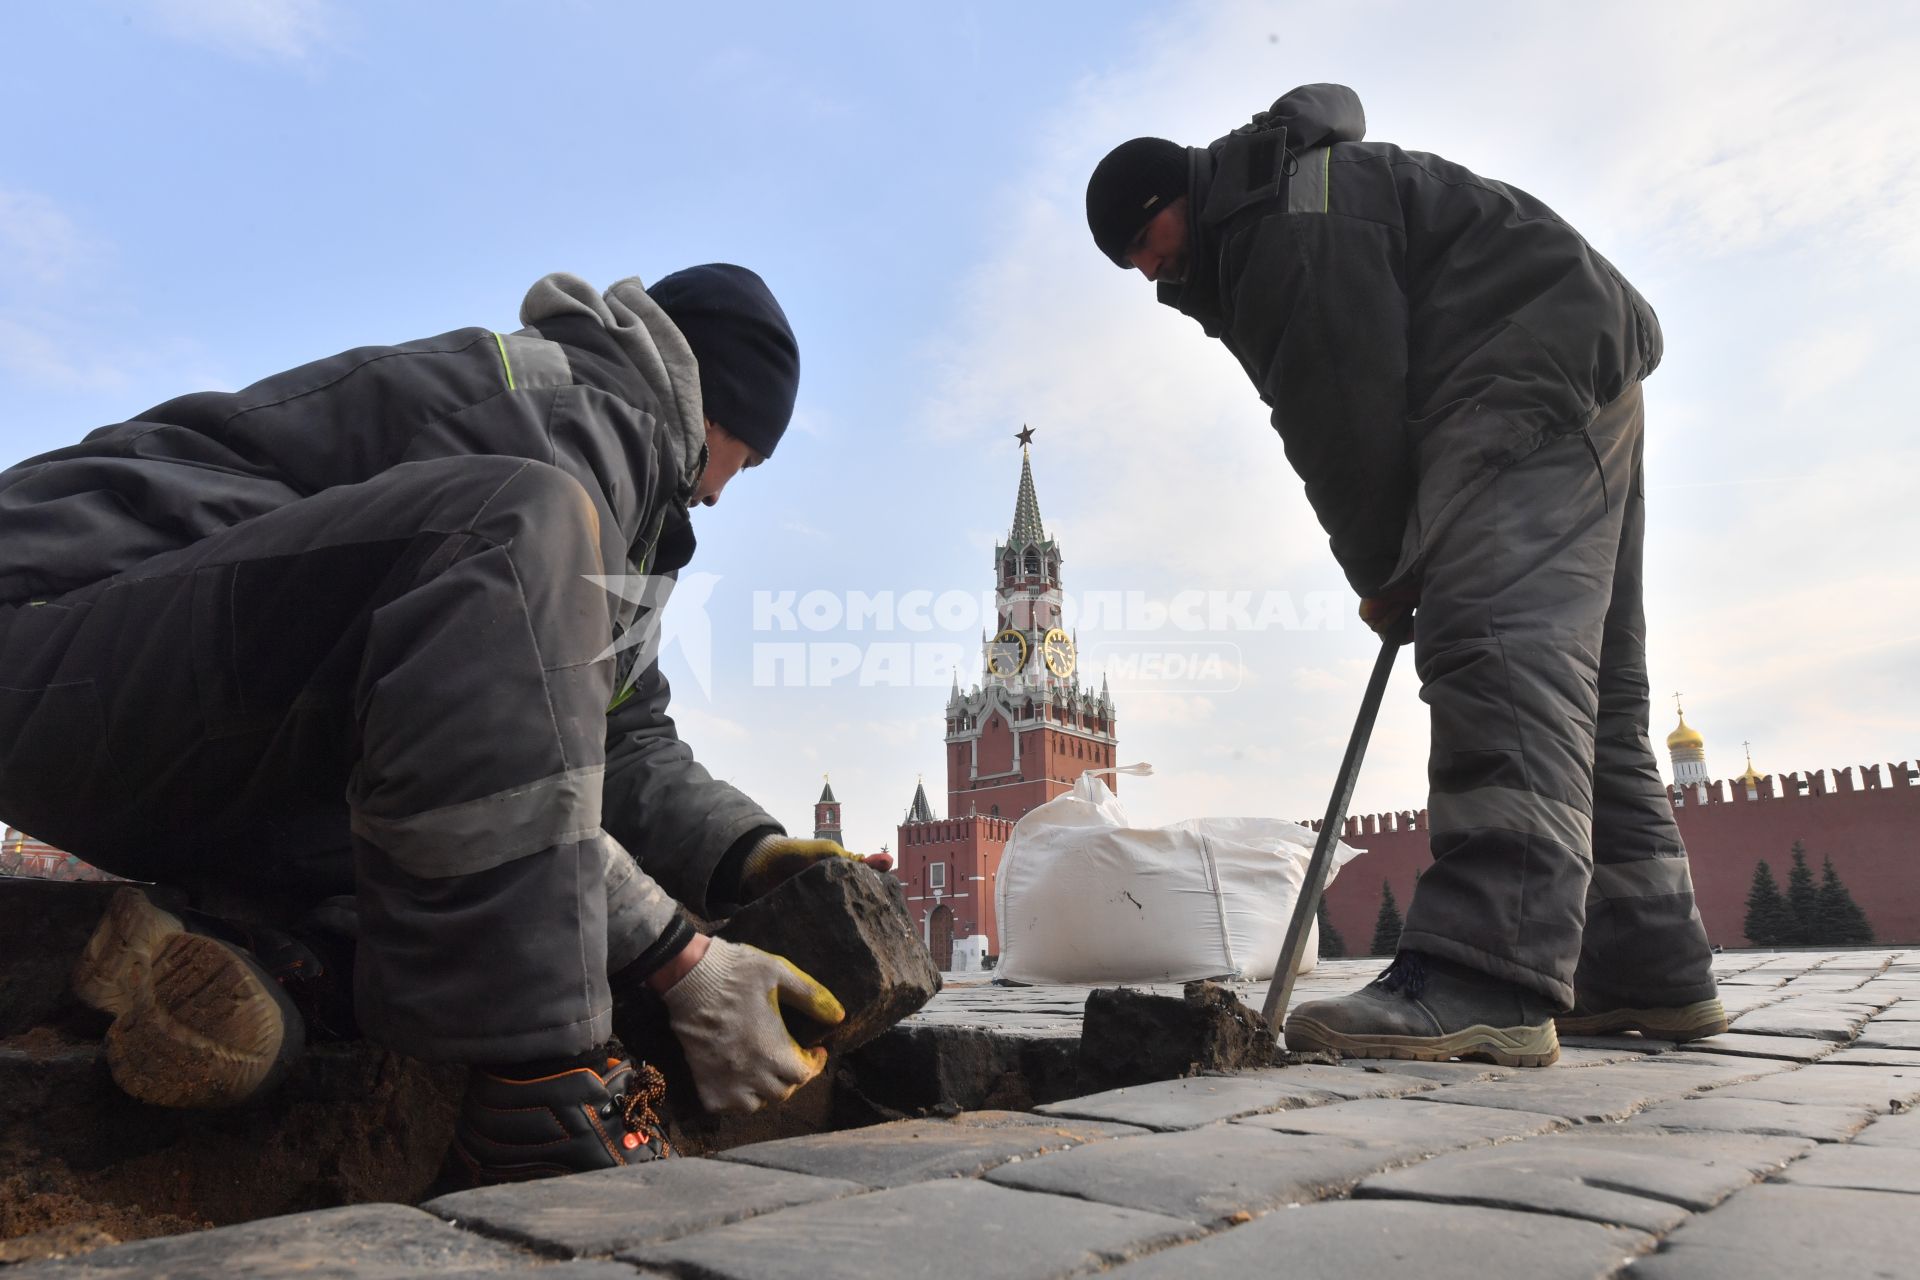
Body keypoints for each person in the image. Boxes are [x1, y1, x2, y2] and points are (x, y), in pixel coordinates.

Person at [0, 264, 890, 1182]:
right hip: (49, 633)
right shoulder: (571, 426)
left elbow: (620, 733)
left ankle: (229, 942)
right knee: (517, 536)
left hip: (149, 708)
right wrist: (679, 956)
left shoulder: (624, 491)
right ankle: (541, 1086)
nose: (727, 491)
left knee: (446, 810)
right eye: (750, 459)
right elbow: (515, 733)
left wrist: (741, 852)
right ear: (724, 415)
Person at [1085, 84, 1724, 1066]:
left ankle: (1484, 977)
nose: (1144, 268)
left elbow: (1340, 414)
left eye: (1141, 239)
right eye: (1127, 263)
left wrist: (1384, 568)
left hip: (1515, 369)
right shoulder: (1280, 202)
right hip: (1573, 359)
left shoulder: (1275, 228)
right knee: (1594, 684)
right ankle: (1645, 963)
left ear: (1176, 196)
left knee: (1496, 645)